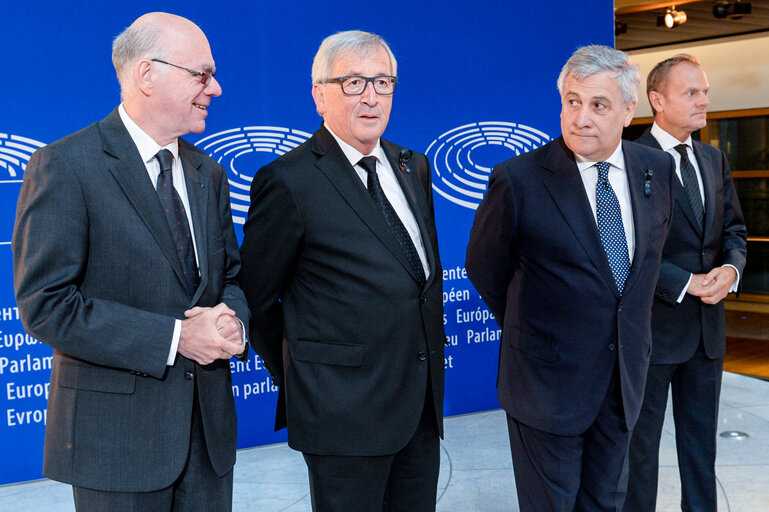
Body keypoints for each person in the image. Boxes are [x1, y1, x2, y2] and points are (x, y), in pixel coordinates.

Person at [12, 12, 248, 511]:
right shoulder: (66, 166)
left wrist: (232, 323)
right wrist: (177, 338)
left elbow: (230, 277)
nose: (216, 88)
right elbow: (48, 304)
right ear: (147, 74)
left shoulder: (209, 173)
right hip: (115, 446)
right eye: (202, 74)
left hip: (207, 441)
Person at [238, 30, 445, 511]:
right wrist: (307, 375)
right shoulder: (288, 181)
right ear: (319, 94)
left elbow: (419, 279)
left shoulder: (414, 166)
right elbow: (257, 296)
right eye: (353, 82)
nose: (371, 96)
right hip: (340, 414)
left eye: (383, 82)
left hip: (419, 408)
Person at [465, 45, 677, 512]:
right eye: (572, 101)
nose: (581, 118)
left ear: (627, 111)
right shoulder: (518, 180)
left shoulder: (656, 169)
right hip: (545, 386)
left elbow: (645, 265)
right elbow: (485, 267)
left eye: (598, 105)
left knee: (607, 502)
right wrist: (539, 329)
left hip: (623, 384)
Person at [624, 54, 747, 512]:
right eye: (691, 93)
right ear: (657, 100)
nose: (703, 101)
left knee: (701, 453)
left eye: (706, 92)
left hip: (706, 334)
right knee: (640, 455)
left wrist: (730, 271)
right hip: (651, 333)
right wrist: (685, 283)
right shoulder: (629, 158)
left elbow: (733, 229)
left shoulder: (713, 158)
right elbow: (626, 244)